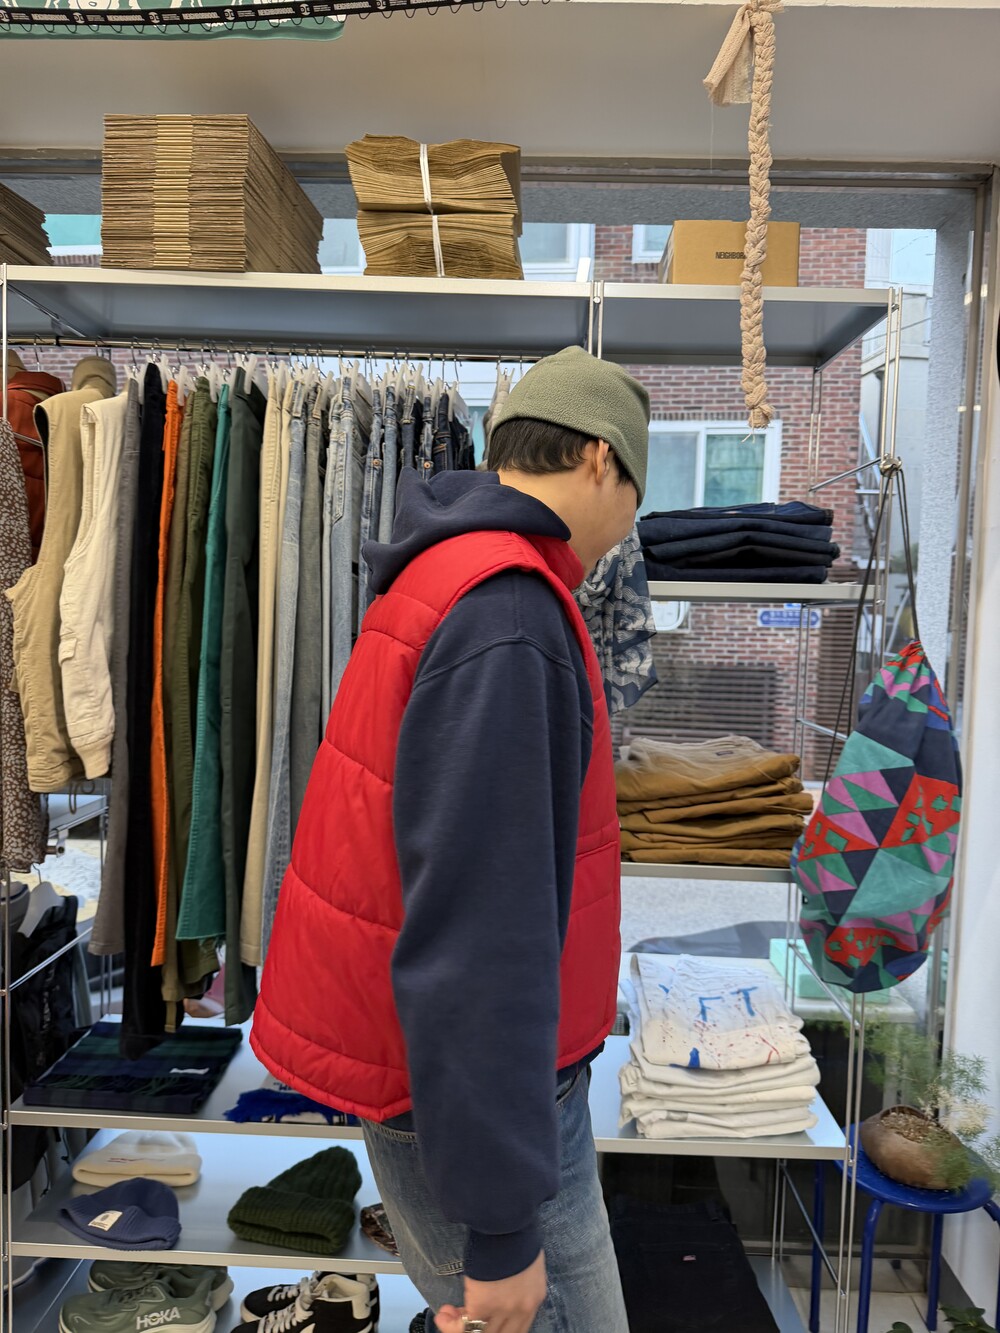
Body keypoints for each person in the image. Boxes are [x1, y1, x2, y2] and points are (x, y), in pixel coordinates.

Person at [251, 346, 650, 1333]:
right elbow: (483, 927)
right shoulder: (507, 611)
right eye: (638, 490)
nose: (631, 523)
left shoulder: (445, 569)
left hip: (444, 1081)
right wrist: (503, 1226)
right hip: (469, 1097)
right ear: (599, 458)